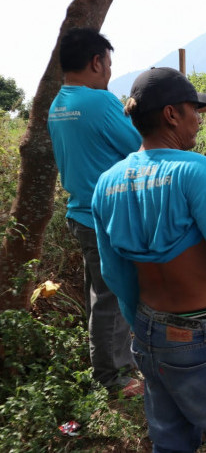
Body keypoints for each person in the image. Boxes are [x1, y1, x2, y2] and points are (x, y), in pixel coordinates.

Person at [91, 67, 206, 452]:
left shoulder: (107, 182)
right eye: (194, 109)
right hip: (201, 333)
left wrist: (140, 325)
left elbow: (114, 273)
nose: (199, 119)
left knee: (170, 442)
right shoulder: (194, 170)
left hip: (148, 334)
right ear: (171, 114)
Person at [48, 27, 143, 396]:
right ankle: (114, 377)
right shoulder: (99, 101)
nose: (108, 70)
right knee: (113, 297)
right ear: (96, 61)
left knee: (100, 295)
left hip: (80, 212)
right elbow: (140, 143)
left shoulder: (58, 104)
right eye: (108, 63)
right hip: (105, 215)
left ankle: (113, 365)